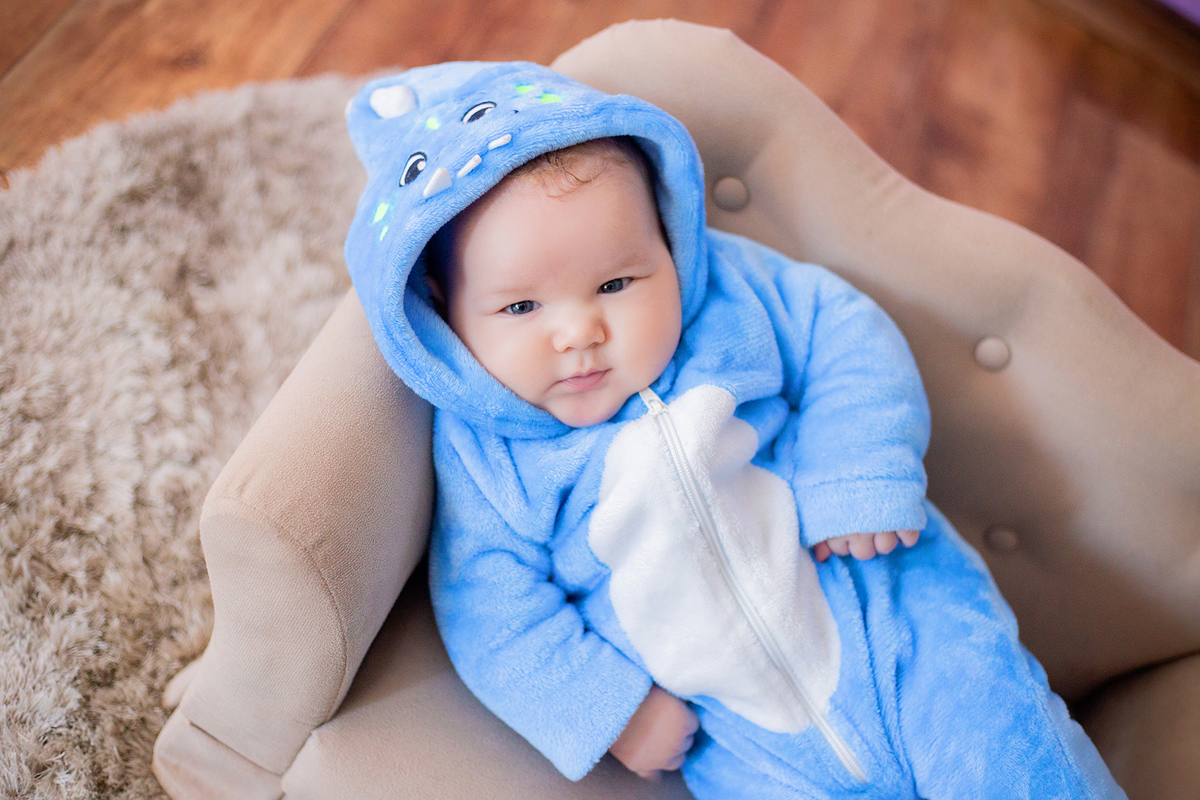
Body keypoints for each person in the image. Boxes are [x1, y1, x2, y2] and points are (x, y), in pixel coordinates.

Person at [342, 61, 1127, 800]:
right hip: (741, 736)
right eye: (521, 308)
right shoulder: (486, 456)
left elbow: (841, 331)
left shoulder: (731, 299)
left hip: (902, 615)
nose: (579, 331)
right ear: (446, 317)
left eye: (617, 282)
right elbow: (492, 611)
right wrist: (611, 710)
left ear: (669, 243)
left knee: (1021, 767)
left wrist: (854, 469)